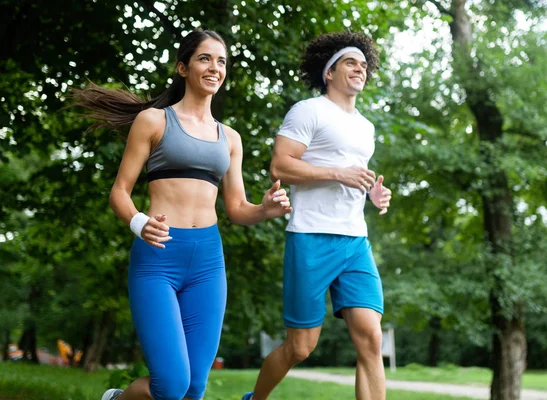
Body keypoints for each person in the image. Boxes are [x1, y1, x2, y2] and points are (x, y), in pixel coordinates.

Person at [71, 29, 292, 400]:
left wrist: (265, 209)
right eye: (205, 58)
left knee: (194, 388)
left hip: (207, 260)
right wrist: (139, 223)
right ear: (183, 67)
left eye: (221, 61)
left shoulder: (230, 137)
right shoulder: (154, 121)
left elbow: (237, 209)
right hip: (158, 257)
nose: (214, 67)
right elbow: (120, 192)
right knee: (171, 386)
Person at [242, 31, 392, 400]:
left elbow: (352, 174)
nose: (360, 69)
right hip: (311, 236)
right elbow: (281, 165)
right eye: (350, 63)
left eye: (363, 64)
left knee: (372, 338)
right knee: (300, 347)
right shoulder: (308, 111)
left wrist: (372, 192)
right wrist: (339, 174)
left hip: (355, 240)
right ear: (330, 72)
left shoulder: (366, 127)